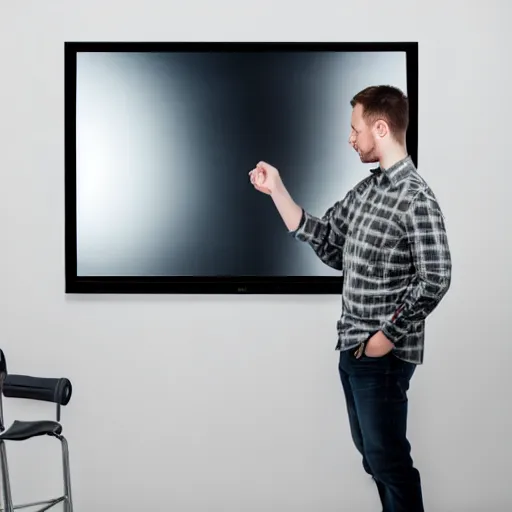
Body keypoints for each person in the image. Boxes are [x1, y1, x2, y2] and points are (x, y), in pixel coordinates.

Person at [249, 85, 451, 512]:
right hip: (352, 350)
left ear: (380, 128)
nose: (350, 138)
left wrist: (386, 337)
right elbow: (327, 242)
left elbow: (436, 276)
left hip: (382, 357)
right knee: (375, 459)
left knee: (389, 462)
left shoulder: (415, 197)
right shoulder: (366, 192)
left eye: (355, 129)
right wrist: (278, 191)